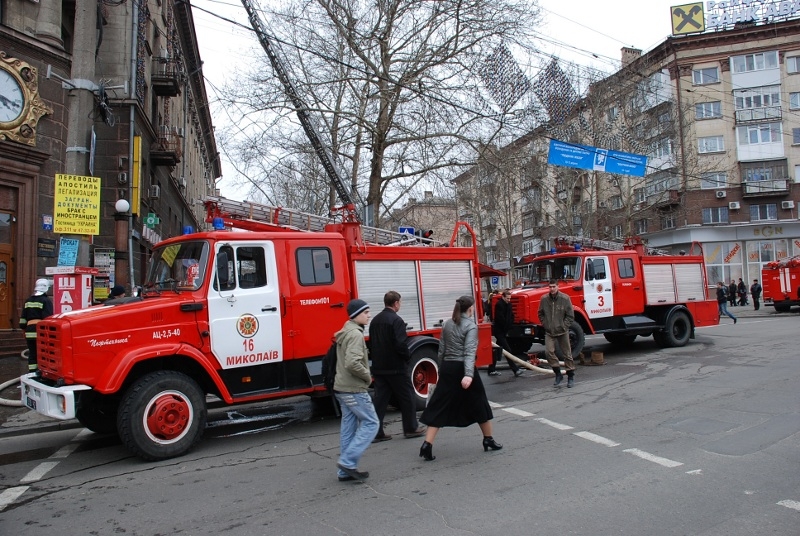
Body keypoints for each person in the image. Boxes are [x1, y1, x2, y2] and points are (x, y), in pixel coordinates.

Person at [418, 295, 502, 461]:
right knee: (480, 404)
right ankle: (488, 439)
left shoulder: (447, 324)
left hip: (448, 367)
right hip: (463, 368)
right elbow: (470, 352)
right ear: (470, 308)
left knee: (439, 405)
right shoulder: (471, 326)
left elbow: (441, 350)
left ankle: (427, 444)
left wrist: (441, 370)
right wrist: (469, 375)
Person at [369, 290, 425, 443]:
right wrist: (407, 357)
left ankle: (376, 432)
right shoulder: (396, 320)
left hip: (379, 367)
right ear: (396, 303)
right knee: (407, 397)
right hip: (396, 367)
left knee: (380, 400)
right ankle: (411, 428)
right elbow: (400, 344)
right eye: (400, 302)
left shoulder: (375, 320)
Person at [333, 299, 379, 482]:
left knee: (349, 427)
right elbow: (352, 363)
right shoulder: (355, 335)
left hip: (341, 387)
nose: (369, 315)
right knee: (372, 423)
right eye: (366, 312)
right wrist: (367, 376)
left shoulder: (346, 331)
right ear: (357, 315)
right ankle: (347, 461)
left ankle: (345, 471)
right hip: (354, 388)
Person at [538, 279, 576, 388]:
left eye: (554, 286)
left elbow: (570, 315)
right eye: (550, 287)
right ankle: (558, 373)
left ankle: (570, 376)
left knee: (567, 354)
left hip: (562, 331)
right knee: (549, 352)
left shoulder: (565, 298)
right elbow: (540, 313)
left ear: (558, 287)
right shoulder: (544, 299)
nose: (552, 289)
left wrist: (564, 326)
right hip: (550, 331)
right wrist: (546, 324)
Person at [20, 278, 53, 374]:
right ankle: (42, 372)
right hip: (40, 331)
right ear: (46, 288)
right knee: (43, 353)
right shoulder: (46, 301)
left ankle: (32, 372)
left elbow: (23, 318)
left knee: (32, 353)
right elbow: (47, 318)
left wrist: (23, 329)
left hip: (29, 331)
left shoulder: (28, 301)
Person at [488, 289, 523, 377]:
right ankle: (515, 369)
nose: (509, 300)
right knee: (508, 350)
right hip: (499, 331)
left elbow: (511, 315)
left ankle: (491, 369)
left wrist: (509, 324)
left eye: (509, 298)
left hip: (503, 330)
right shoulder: (499, 305)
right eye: (507, 298)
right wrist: (507, 325)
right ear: (503, 297)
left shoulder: (508, 304)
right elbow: (500, 318)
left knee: (496, 350)